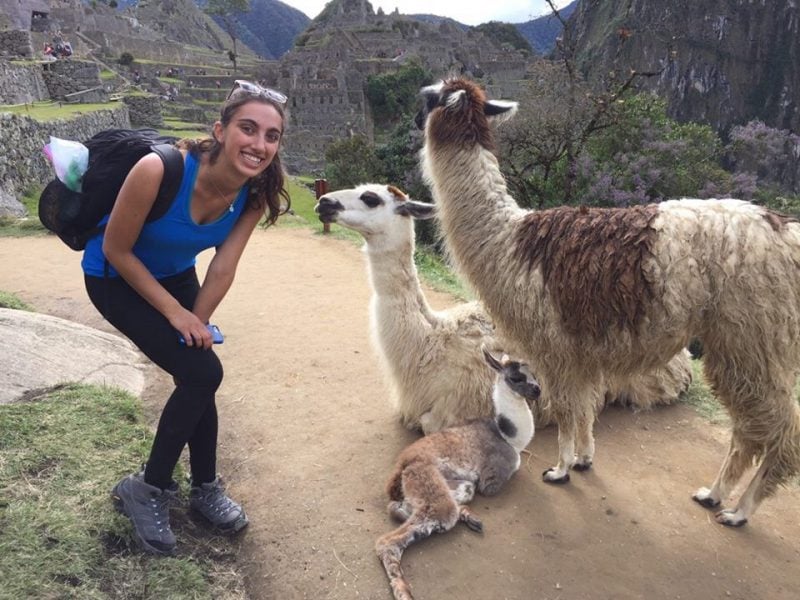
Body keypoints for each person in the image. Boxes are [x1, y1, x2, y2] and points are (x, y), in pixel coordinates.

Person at [81, 80, 290, 555]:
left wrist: (198, 319)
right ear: (220, 130)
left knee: (198, 370)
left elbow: (223, 266)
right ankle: (148, 488)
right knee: (202, 372)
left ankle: (203, 488)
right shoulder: (159, 170)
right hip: (114, 278)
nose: (259, 144)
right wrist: (176, 315)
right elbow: (116, 249)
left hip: (175, 276)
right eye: (248, 128)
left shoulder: (254, 193)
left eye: (271, 136)